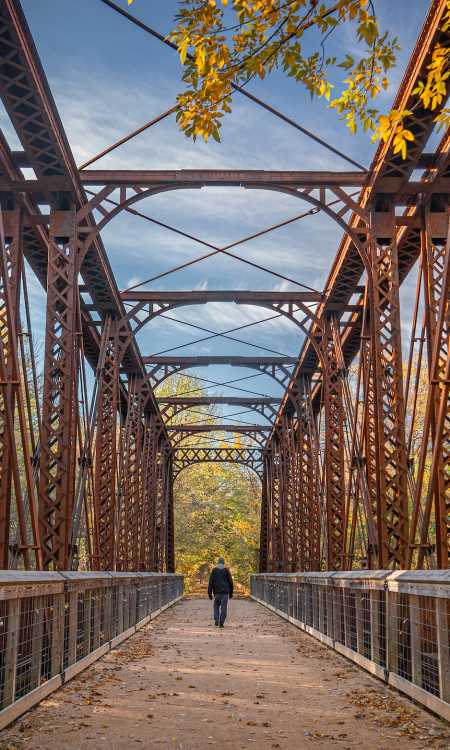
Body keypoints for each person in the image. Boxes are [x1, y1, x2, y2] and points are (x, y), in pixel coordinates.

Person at [208, 557, 233, 627]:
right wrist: (231, 593)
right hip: (225, 592)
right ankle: (221, 622)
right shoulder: (226, 570)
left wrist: (209, 593)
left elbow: (211, 582)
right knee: (224, 607)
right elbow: (231, 582)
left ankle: (216, 619)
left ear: (218, 563)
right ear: (224, 563)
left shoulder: (214, 570)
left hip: (217, 592)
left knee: (216, 605)